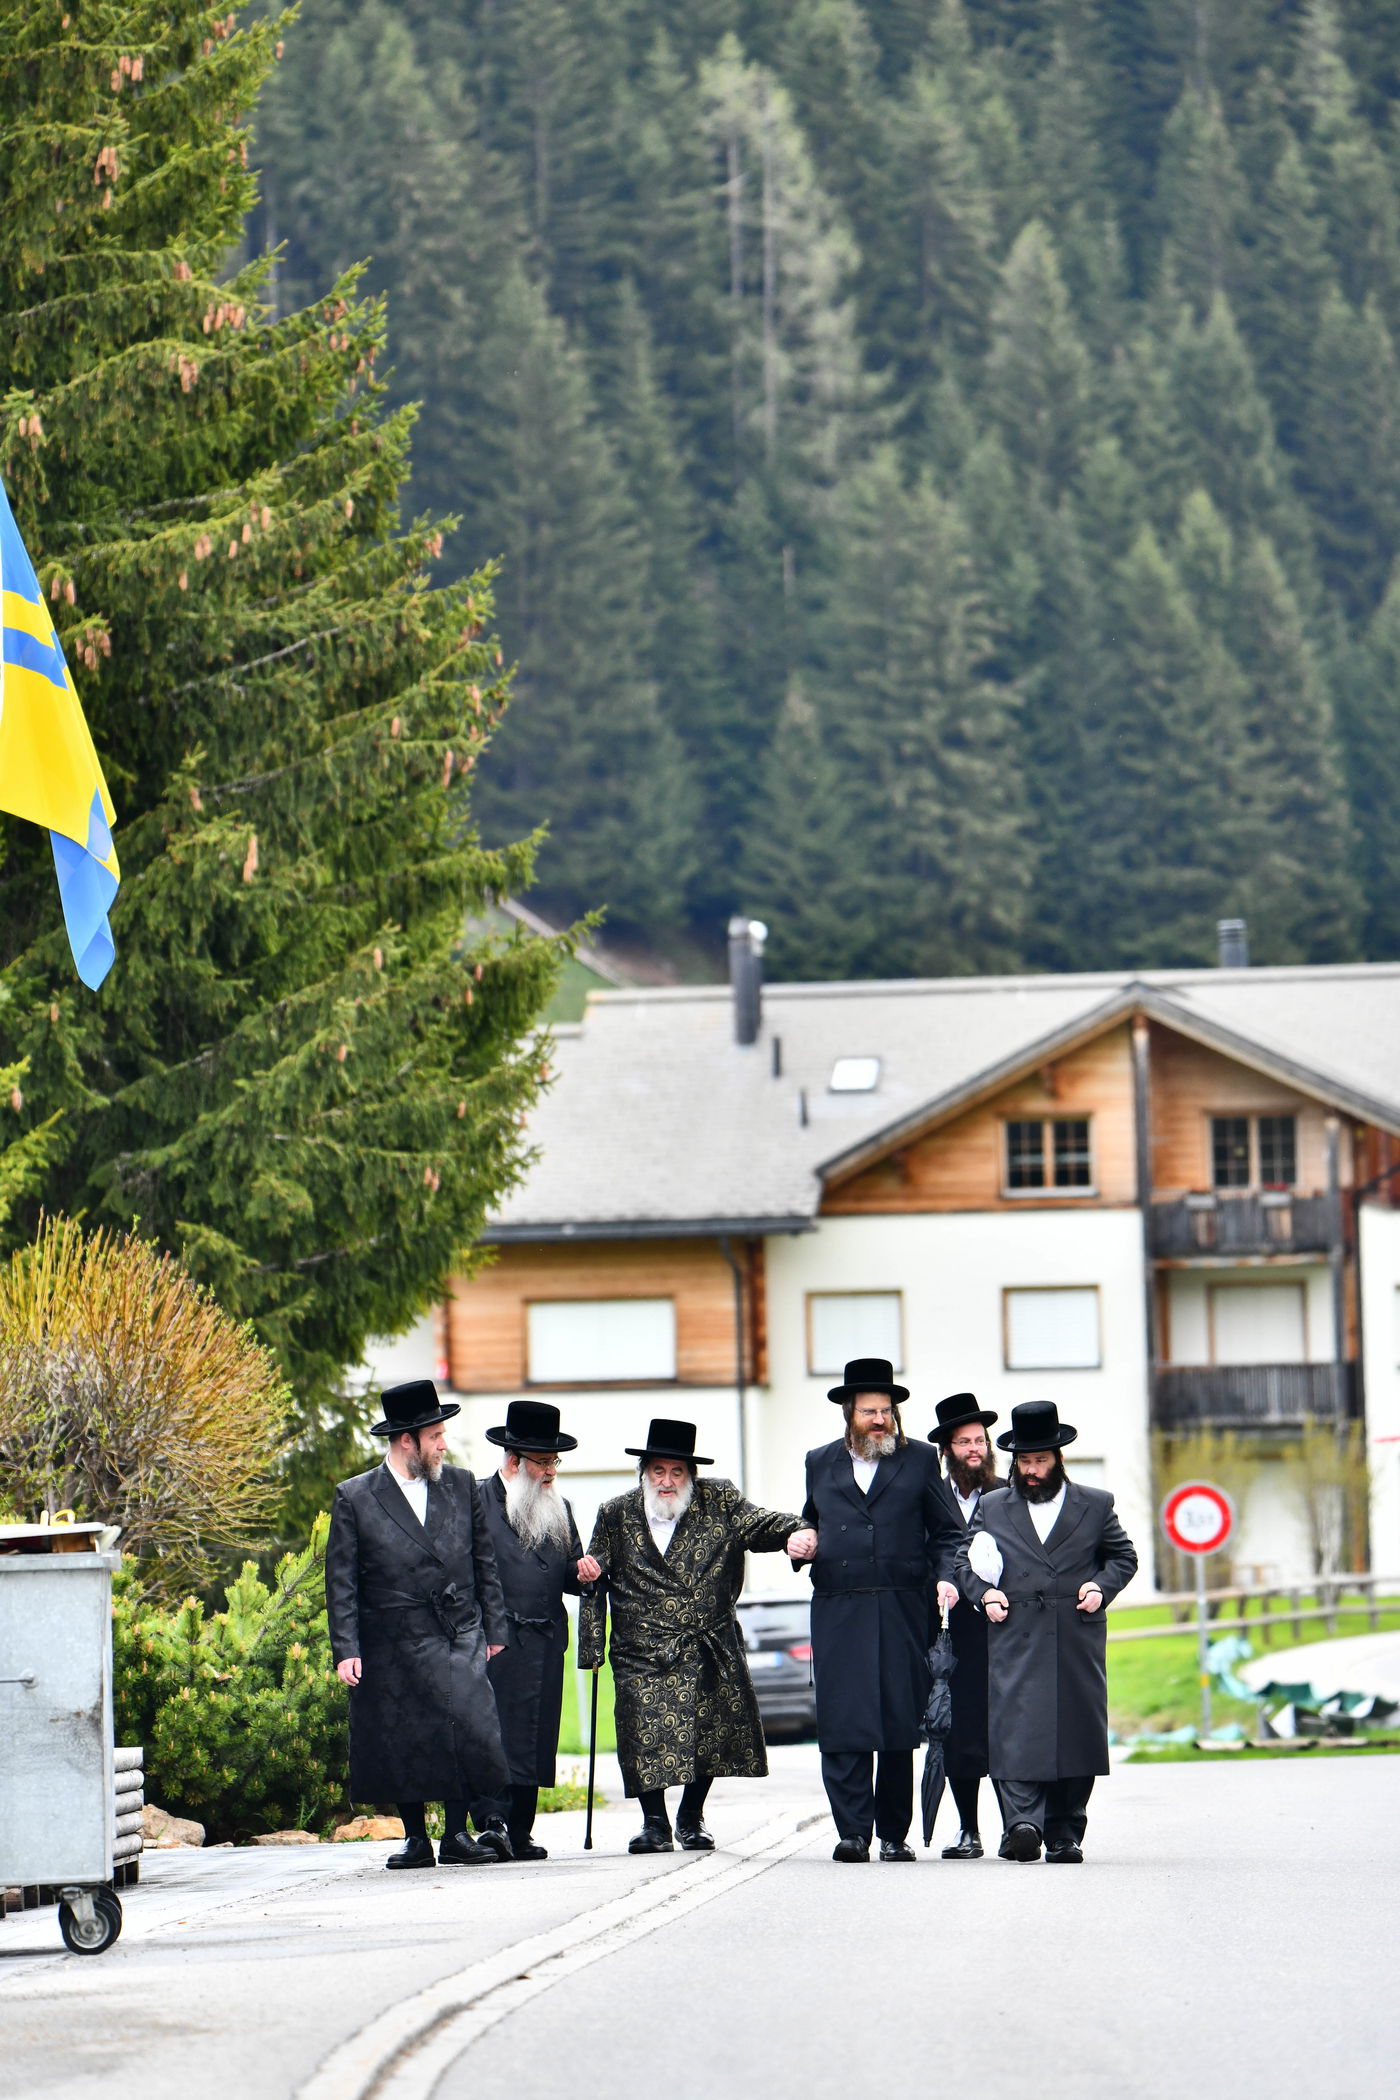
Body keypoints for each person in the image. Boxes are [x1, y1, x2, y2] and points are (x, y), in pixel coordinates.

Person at [578, 1418, 814, 1855]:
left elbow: (759, 1523)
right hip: (641, 1649)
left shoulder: (718, 1499)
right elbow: (594, 1576)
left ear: (691, 1474)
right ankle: (653, 1823)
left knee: (707, 1733)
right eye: (658, 1472)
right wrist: (590, 1647)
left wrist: (794, 1532)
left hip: (706, 1643)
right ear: (644, 1472)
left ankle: (691, 1817)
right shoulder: (615, 1513)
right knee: (640, 1733)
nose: (666, 1482)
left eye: (677, 1472)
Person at [325, 1379, 511, 1869]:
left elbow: (483, 1563)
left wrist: (495, 1633)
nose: (444, 1443)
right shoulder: (356, 1496)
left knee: (464, 1726)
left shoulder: (462, 1484)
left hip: (456, 1627)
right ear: (407, 1439)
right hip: (390, 1634)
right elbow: (340, 1578)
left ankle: (455, 1834)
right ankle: (415, 1839)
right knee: (400, 1733)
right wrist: (346, 1647)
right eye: (436, 1435)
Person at [787, 1358, 962, 1864]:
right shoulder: (819, 1461)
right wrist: (798, 1542)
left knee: (896, 1721)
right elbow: (811, 1521)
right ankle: (852, 1833)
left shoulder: (920, 1459)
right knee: (844, 1721)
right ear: (850, 1412)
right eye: (870, 1411)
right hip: (839, 1607)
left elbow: (948, 1531)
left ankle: (892, 1834)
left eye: (887, 1410)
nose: (880, 1420)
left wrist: (948, 1577)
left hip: (903, 1607)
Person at [954, 1400, 1138, 1864]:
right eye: (1024, 1461)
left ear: (1058, 1458)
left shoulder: (1095, 1505)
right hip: (1015, 1633)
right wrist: (983, 1594)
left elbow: (1123, 1558)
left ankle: (1064, 1833)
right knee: (1015, 1727)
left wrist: (1101, 1586)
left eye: (1040, 1460)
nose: (1031, 1470)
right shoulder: (994, 1506)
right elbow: (963, 1561)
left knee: (1075, 1731)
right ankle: (1022, 1824)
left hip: (1076, 1634)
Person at [466, 1400, 600, 1862]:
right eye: (543, 1462)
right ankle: (491, 1824)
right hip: (494, 1641)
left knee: (535, 1735)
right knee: (494, 1733)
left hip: (543, 1641)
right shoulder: (476, 1502)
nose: (550, 1471)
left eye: (554, 1462)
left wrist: (584, 1575)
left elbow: (567, 1572)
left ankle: (519, 1831)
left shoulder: (560, 1507)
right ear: (512, 1461)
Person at [926, 1391, 1001, 1859]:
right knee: (957, 1728)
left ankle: (1019, 1824)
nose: (974, 1449)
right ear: (947, 1450)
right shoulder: (931, 1496)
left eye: (980, 1440)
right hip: (950, 1634)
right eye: (964, 1442)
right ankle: (967, 1829)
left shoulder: (1005, 1494)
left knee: (1006, 1726)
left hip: (1002, 1627)